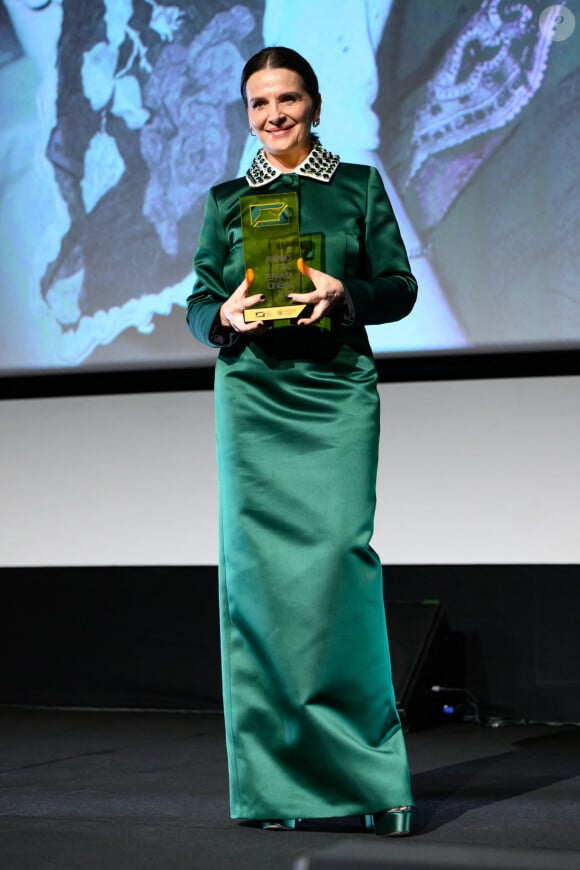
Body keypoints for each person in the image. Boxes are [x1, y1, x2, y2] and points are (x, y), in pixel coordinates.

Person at [186, 46, 416, 836]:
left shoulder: (356, 187)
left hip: (332, 395)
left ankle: (370, 777)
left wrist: (344, 292)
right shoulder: (225, 202)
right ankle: (279, 788)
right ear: (245, 113)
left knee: (335, 572)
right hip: (253, 394)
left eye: (287, 100)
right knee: (258, 585)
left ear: (314, 104)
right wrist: (226, 316)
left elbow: (400, 288)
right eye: (258, 104)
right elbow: (199, 299)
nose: (274, 115)